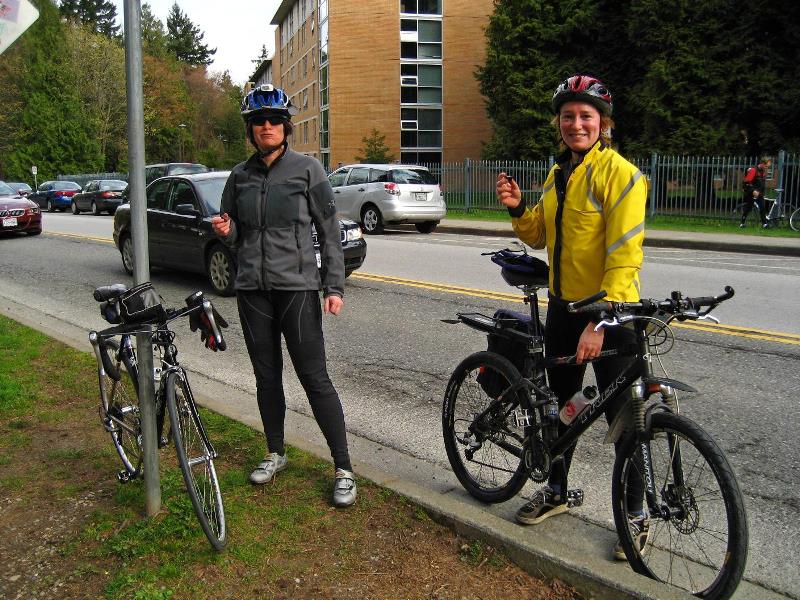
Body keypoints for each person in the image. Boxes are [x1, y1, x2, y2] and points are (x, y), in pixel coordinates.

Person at [495, 74, 648, 559]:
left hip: (610, 315)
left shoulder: (621, 175)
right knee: (561, 408)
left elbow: (625, 255)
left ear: (604, 124)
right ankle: (556, 491)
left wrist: (600, 321)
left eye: (586, 116)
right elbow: (540, 235)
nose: (576, 124)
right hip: (563, 309)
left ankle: (636, 516)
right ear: (558, 123)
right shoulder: (558, 173)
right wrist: (519, 208)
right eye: (568, 116)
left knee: (626, 420)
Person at [211, 84, 356, 508]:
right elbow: (234, 233)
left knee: (314, 377)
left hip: (297, 288)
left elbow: (329, 232)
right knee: (266, 376)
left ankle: (344, 468)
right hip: (252, 290)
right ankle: (275, 452)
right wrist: (226, 231)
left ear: (286, 126)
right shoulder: (239, 176)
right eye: (259, 121)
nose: (267, 127)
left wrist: (333, 286)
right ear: (250, 129)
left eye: (274, 120)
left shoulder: (308, 170)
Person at [740, 157, 771, 228]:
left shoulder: (763, 172)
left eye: (768, 167)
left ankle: (764, 224)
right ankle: (742, 223)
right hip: (751, 193)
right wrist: (753, 190)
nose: (767, 168)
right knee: (748, 208)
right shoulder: (753, 170)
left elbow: (761, 184)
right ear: (762, 164)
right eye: (766, 166)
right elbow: (746, 182)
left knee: (762, 207)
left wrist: (760, 191)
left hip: (759, 193)